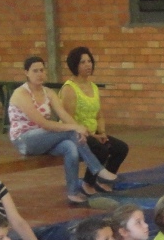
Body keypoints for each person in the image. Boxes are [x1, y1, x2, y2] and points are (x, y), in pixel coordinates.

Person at [8, 56, 116, 206]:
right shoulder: (21, 94)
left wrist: (79, 130)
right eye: (35, 71)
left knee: (70, 147)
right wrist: (75, 128)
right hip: (25, 140)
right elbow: (43, 123)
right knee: (70, 132)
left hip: (45, 138)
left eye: (41, 70)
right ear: (26, 73)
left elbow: (64, 115)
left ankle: (72, 192)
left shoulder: (48, 92)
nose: (39, 74)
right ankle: (97, 168)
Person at [59, 45, 130, 193]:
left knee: (121, 148)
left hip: (93, 133)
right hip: (74, 134)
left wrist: (102, 133)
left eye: (89, 61)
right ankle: (87, 183)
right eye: (82, 62)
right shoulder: (69, 89)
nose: (87, 65)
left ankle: (103, 181)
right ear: (74, 65)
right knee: (101, 150)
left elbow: (99, 115)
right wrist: (92, 136)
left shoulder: (93, 87)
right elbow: (68, 121)